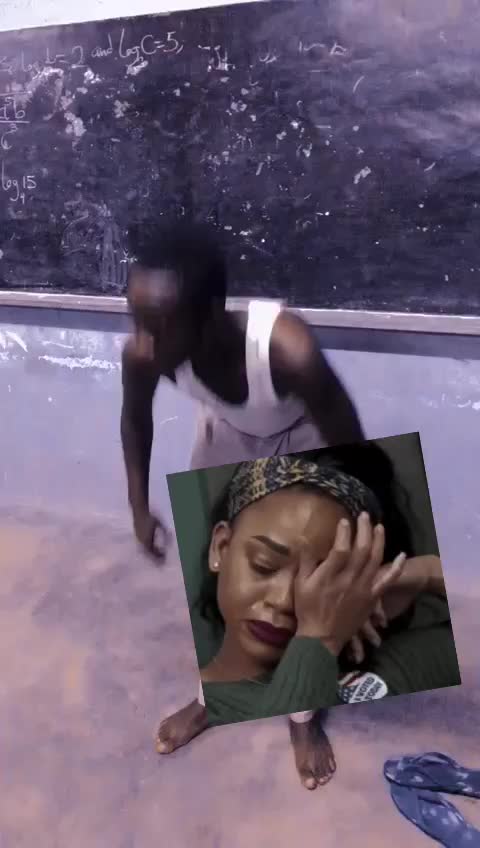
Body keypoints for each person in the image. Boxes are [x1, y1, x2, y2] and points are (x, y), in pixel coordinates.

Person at [121, 219, 367, 785]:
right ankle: (217, 694)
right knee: (216, 567)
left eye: (158, 327)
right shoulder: (145, 352)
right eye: (135, 321)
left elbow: (350, 446)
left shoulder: (288, 351)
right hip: (228, 433)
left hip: (305, 437)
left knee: (299, 580)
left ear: (210, 316)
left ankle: (302, 714)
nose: (142, 342)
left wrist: (349, 525)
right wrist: (138, 507)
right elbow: (134, 421)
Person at [169, 451, 458, 786]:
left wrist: (423, 572)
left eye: (323, 580)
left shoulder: (402, 664)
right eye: (264, 565)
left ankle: (302, 725)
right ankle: (208, 704)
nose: (283, 601)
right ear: (221, 548)